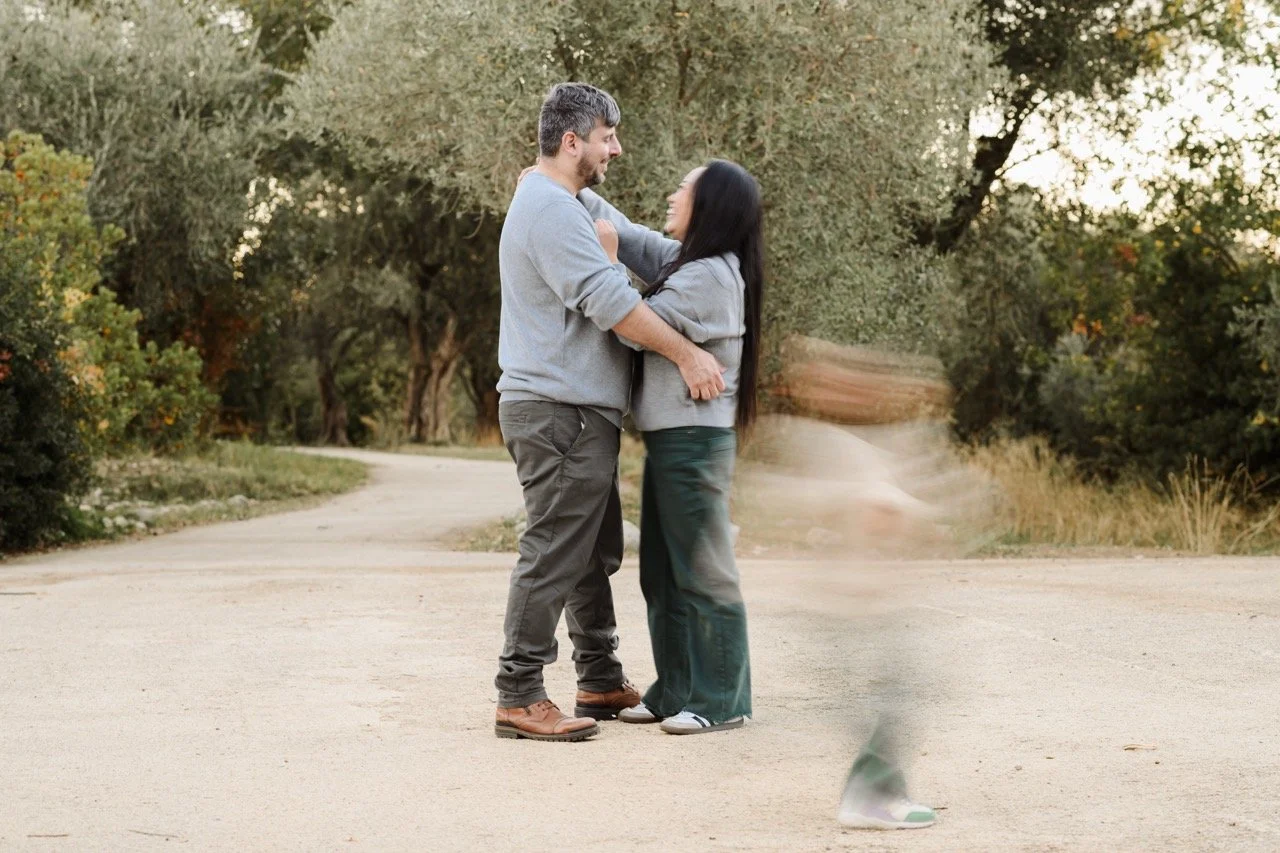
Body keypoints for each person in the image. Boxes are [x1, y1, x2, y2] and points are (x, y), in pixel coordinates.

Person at [492, 82, 726, 743]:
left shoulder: (570, 198)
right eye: (606, 136)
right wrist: (687, 354)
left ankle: (598, 675)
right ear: (573, 143)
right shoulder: (551, 210)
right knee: (554, 548)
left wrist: (710, 252)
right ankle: (519, 691)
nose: (615, 148)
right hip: (557, 408)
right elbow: (609, 298)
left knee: (591, 551)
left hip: (579, 409)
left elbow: (634, 239)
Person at [580, 160, 760, 735]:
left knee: (703, 572)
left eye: (685, 188)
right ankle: (675, 688)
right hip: (671, 440)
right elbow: (628, 232)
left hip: (694, 443)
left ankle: (721, 698)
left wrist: (606, 266)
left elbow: (631, 322)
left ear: (709, 205)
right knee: (661, 571)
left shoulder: (709, 277)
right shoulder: (689, 262)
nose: (672, 194)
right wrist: (564, 190)